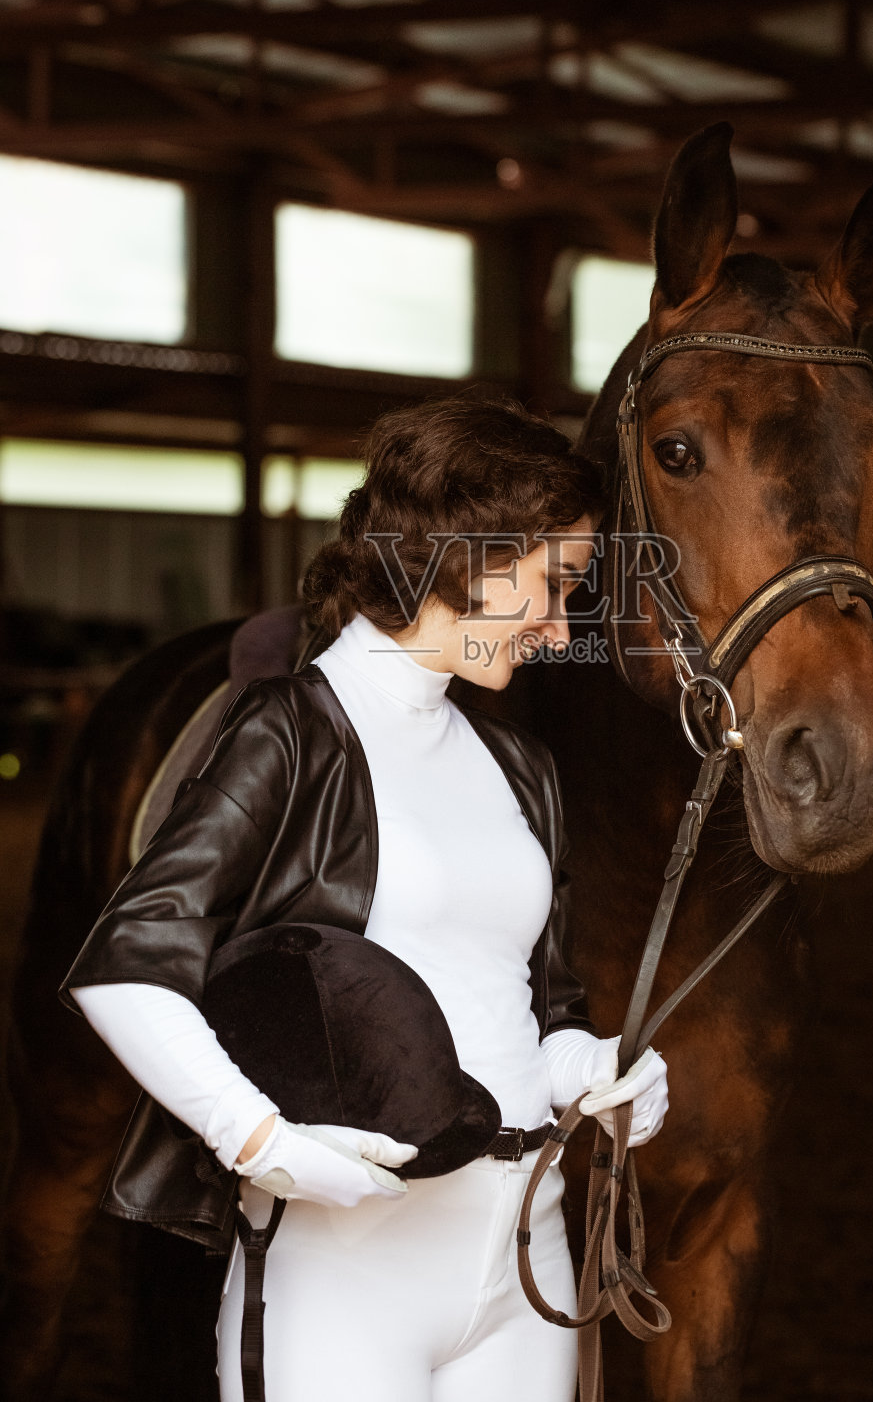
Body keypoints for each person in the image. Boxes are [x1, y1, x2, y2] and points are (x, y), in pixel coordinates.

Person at [61, 393, 669, 1402]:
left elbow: (536, 1000)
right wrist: (257, 1138)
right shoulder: (288, 730)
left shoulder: (517, 762)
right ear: (472, 558)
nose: (561, 627)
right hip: (348, 1261)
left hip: (527, 1248)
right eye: (553, 585)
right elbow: (125, 962)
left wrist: (596, 1068)